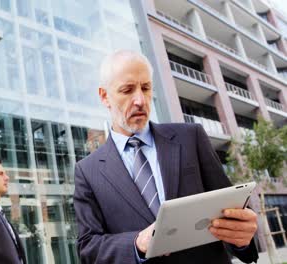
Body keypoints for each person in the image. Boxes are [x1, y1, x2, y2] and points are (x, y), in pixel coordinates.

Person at [73, 50, 259, 264]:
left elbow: (231, 211)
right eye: (127, 90)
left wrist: (242, 237)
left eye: (146, 88)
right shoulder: (88, 171)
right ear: (105, 96)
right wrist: (137, 244)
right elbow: (88, 247)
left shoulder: (191, 138)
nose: (140, 101)